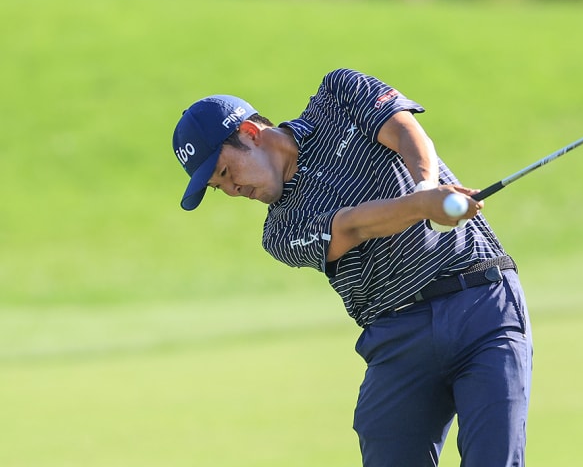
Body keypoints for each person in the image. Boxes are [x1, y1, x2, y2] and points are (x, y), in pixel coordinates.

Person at [171, 68, 533, 467]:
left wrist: (426, 188)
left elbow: (402, 130)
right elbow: (352, 225)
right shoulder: (279, 231)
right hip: (397, 336)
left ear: (250, 134)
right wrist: (421, 207)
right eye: (219, 188)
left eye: (224, 173)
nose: (232, 190)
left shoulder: (338, 93)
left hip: (481, 300)